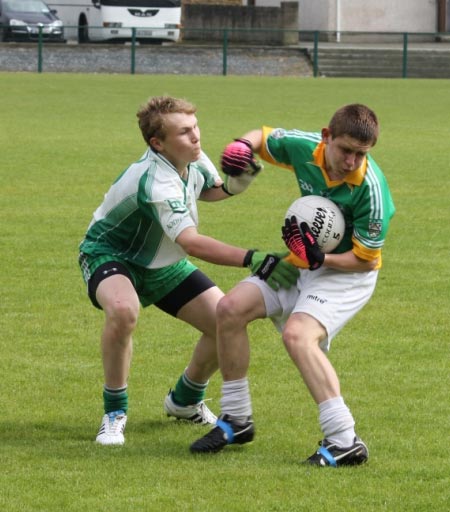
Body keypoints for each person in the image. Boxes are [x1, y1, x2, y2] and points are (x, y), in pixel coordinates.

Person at [78, 96, 299, 446]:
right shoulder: (155, 180)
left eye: (195, 127)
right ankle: (115, 412)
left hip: (165, 262)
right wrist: (253, 257)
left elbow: (207, 189)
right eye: (184, 132)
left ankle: (185, 400)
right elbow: (192, 243)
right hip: (112, 255)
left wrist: (233, 186)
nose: (196, 137)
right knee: (123, 311)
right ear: (157, 143)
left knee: (226, 321)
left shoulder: (191, 158)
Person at [190, 104, 396, 467]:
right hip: (304, 258)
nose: (351, 161)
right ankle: (237, 419)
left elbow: (365, 259)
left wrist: (320, 258)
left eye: (360, 154)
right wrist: (242, 145)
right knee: (230, 309)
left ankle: (344, 439)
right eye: (345, 149)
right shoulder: (306, 147)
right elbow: (265, 137)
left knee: (298, 336)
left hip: (346, 274)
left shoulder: (371, 190)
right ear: (326, 136)